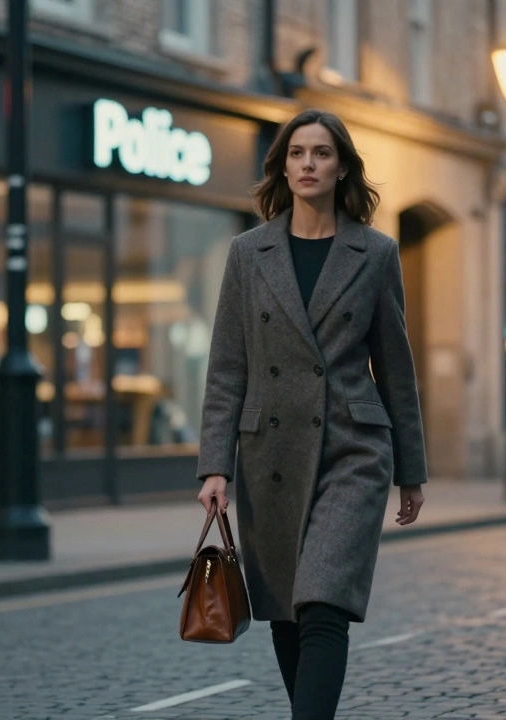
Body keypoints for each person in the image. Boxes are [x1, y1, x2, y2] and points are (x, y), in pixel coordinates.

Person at [195, 109, 428, 719]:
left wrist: (412, 467)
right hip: (268, 453)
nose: (307, 164)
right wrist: (213, 465)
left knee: (323, 599)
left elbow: (396, 369)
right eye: (297, 154)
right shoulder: (249, 253)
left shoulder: (374, 253)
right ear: (282, 165)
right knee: (286, 610)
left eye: (321, 153)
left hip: (353, 449)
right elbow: (226, 368)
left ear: (341, 166)